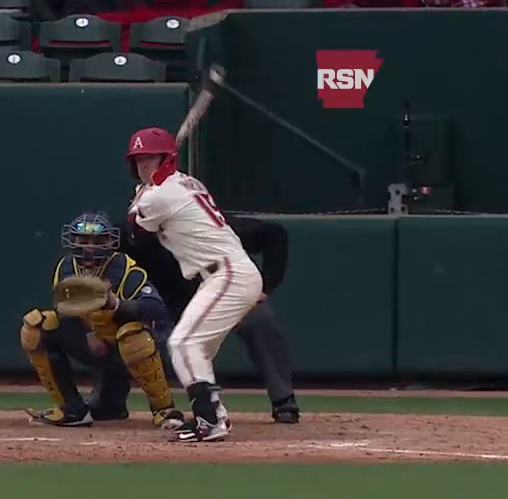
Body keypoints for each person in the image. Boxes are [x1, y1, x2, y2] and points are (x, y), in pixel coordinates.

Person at [125, 126, 262, 443]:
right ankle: (216, 416)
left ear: (166, 159)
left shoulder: (160, 195)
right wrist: (144, 196)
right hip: (225, 274)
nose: (144, 165)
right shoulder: (183, 183)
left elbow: (136, 233)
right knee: (197, 350)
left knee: (183, 343)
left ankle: (208, 419)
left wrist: (140, 200)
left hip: (229, 273)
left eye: (150, 158)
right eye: (139, 159)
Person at [122, 212, 300, 423]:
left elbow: (275, 234)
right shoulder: (137, 234)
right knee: (125, 330)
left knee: (258, 319)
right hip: (165, 306)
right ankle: (110, 402)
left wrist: (266, 287)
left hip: (220, 296)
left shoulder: (210, 225)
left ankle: (283, 400)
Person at [22, 211, 185, 429]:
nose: (90, 247)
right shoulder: (67, 267)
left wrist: (115, 304)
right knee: (37, 325)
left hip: (141, 348)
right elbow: (63, 310)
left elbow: (156, 309)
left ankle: (164, 410)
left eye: (98, 240)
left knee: (132, 335)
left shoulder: (125, 269)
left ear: (110, 241)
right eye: (83, 240)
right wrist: (89, 333)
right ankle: (72, 410)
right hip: (94, 344)